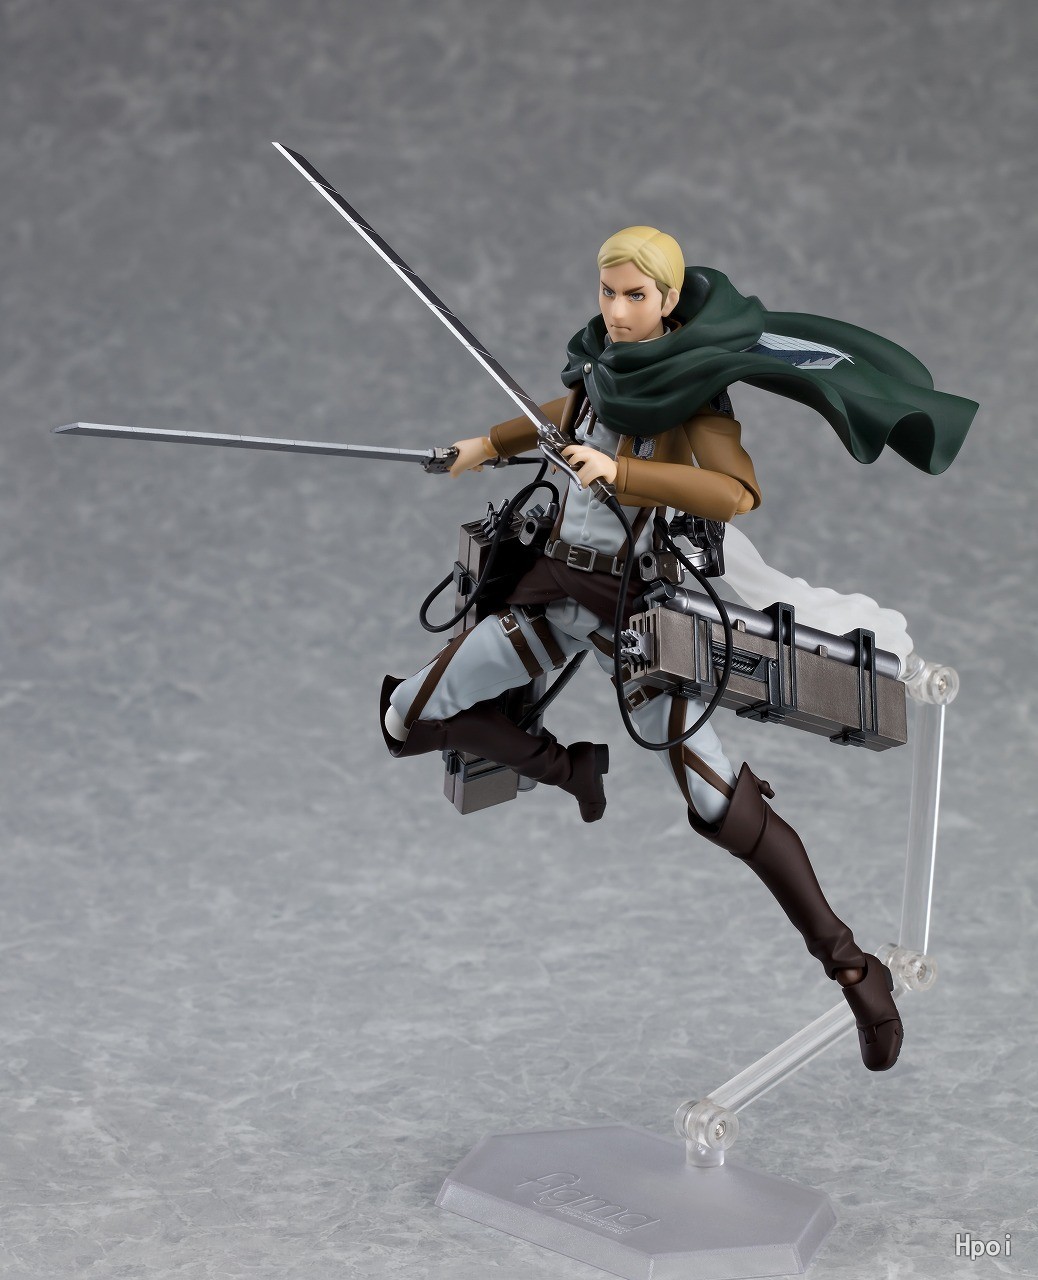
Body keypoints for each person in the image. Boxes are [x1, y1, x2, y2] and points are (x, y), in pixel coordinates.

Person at [380, 226, 977, 1072]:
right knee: (406, 717)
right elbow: (556, 420)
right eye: (608, 292)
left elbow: (735, 491)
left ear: (666, 299)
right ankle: (568, 768)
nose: (618, 310)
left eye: (635, 296)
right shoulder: (599, 372)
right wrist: (483, 446)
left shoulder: (692, 395)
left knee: (714, 801)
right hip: (553, 596)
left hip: (633, 617)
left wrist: (623, 476)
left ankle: (853, 967)